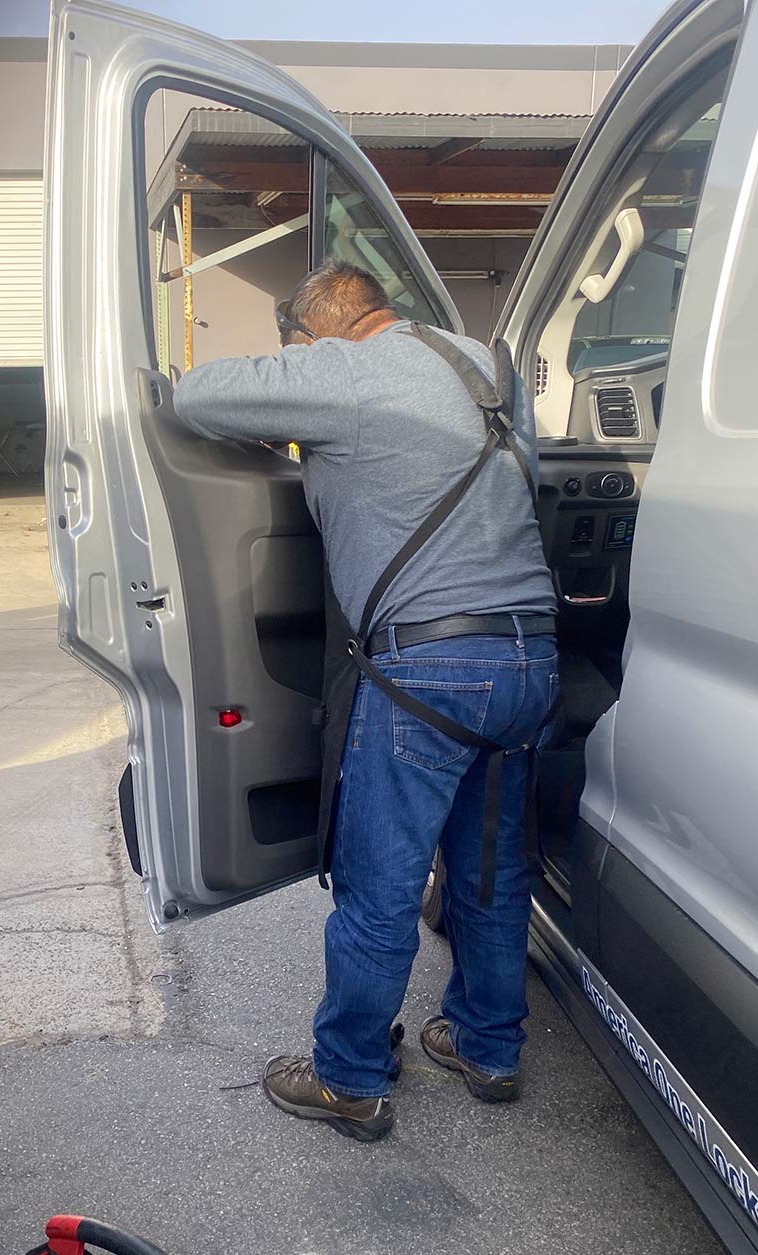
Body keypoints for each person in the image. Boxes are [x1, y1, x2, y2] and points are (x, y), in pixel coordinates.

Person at [172, 259, 558, 1141]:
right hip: (527, 660)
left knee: (380, 888)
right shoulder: (480, 364)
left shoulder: (341, 371)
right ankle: (488, 1049)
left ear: (313, 334)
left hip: (429, 670)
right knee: (491, 875)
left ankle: (349, 1077)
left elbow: (195, 398)